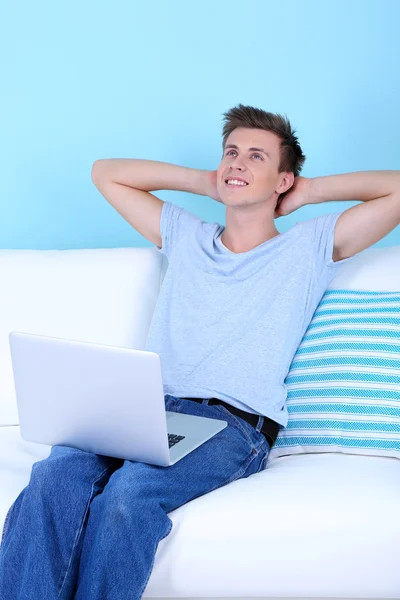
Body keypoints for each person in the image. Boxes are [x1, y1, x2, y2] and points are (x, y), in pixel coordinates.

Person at [0, 104, 354, 599]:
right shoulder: (187, 236)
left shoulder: (308, 247)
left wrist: (308, 192)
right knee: (53, 476)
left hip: (233, 424)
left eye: (256, 157)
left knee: (129, 496)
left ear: (283, 179)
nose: (237, 163)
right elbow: (106, 174)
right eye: (231, 153)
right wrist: (206, 181)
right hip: (144, 409)